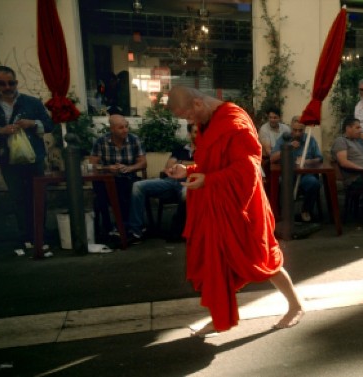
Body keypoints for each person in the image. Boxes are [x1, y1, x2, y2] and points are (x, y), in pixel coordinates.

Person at [164, 86, 304, 337]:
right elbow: (212, 165)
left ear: (197, 104)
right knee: (216, 263)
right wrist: (188, 170)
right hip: (217, 203)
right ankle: (219, 317)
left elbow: (248, 171)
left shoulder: (234, 121)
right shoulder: (210, 122)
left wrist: (208, 180)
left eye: (188, 116)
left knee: (262, 259)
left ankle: (295, 305)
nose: (190, 122)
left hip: (243, 204)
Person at [0, 65, 54, 252]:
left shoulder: (31, 102)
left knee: (38, 196)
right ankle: (25, 237)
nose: (8, 87)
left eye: (11, 83)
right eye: (2, 83)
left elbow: (49, 125)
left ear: (16, 82)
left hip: (33, 155)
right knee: (18, 197)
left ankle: (40, 236)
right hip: (7, 156)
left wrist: (32, 123)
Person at [125, 123, 197, 244]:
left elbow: (201, 166)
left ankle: (180, 230)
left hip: (188, 182)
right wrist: (189, 164)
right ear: (190, 134)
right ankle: (136, 230)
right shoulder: (180, 149)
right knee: (138, 186)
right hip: (170, 181)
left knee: (187, 193)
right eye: (195, 132)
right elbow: (168, 167)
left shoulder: (207, 150)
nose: (198, 135)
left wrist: (181, 164)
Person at [89, 114, 147, 239]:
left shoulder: (134, 139)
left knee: (124, 187)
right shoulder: (101, 142)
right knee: (100, 188)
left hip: (128, 177)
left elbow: (143, 162)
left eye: (126, 126)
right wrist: (107, 168)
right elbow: (92, 165)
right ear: (112, 129)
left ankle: (124, 225)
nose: (125, 130)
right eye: (121, 128)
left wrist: (129, 168)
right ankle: (108, 226)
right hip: (107, 178)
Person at [269, 116, 323, 222]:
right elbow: (272, 158)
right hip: (287, 175)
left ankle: (306, 210)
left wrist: (306, 161)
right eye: (295, 130)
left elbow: (319, 158)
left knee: (313, 183)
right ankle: (281, 214)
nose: (298, 133)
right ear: (291, 128)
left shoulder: (310, 140)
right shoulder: (284, 139)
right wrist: (288, 148)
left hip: (305, 175)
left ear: (304, 129)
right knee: (280, 183)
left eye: (300, 130)